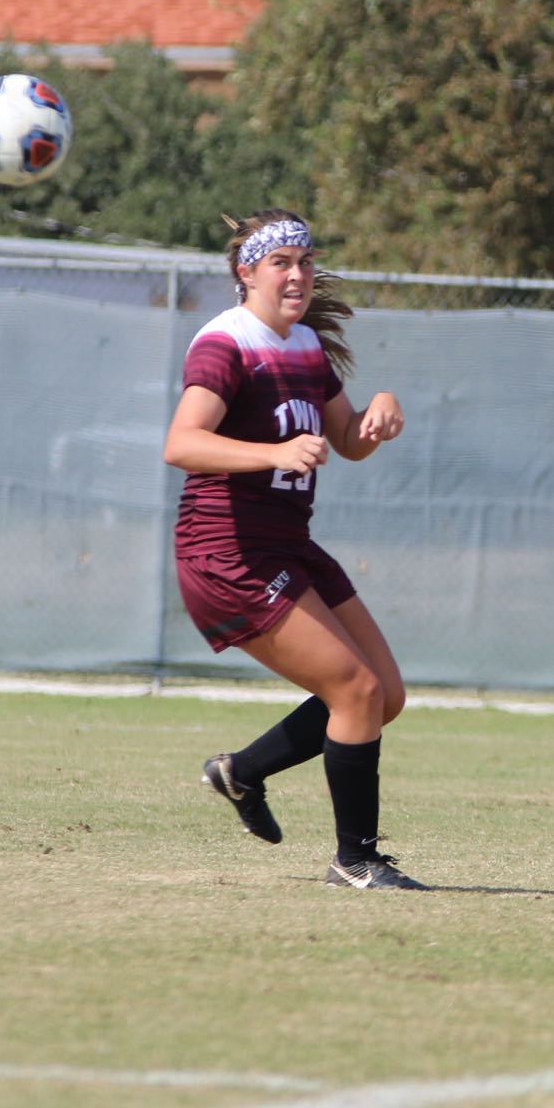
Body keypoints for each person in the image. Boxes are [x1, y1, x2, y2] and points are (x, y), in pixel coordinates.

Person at [161, 209, 423, 890]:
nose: (299, 274)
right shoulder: (226, 342)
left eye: (306, 261)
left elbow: (349, 441)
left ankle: (242, 772)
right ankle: (355, 861)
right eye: (282, 262)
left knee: (382, 694)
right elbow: (181, 444)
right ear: (246, 273)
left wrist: (380, 413)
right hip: (228, 553)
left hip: (287, 544)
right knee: (356, 689)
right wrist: (272, 453)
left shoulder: (305, 345)